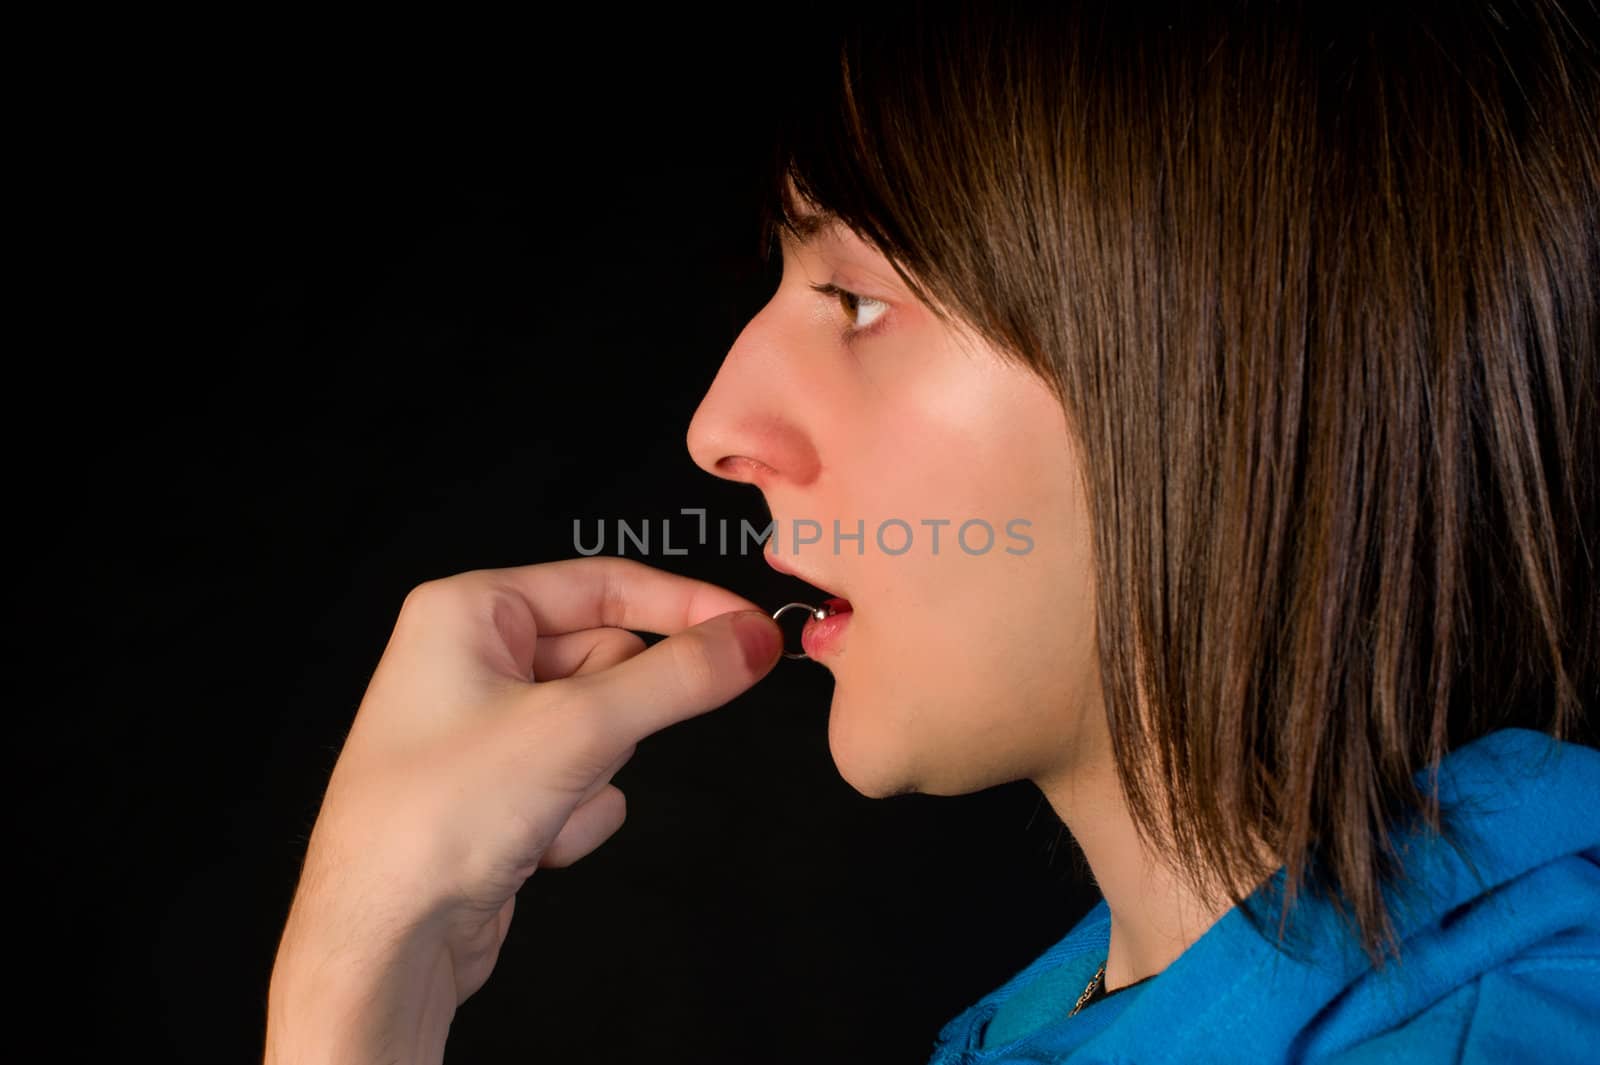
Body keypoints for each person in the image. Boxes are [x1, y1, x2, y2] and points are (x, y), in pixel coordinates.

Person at [263, 3, 1600, 1062]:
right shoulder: (1100, 1008)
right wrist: (371, 975)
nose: (721, 426)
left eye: (851, 297)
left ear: (1237, 359)